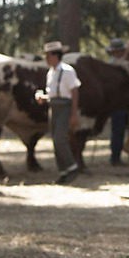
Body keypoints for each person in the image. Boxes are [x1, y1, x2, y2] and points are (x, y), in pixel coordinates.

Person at [35, 40, 81, 184]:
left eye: (48, 55)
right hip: (53, 107)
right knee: (55, 140)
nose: (47, 59)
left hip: (64, 107)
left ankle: (72, 167)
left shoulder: (67, 71)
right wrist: (44, 97)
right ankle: (63, 171)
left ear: (56, 56)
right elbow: (54, 92)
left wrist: (74, 113)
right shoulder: (51, 73)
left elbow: (74, 92)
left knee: (60, 139)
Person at [105, 37, 129, 165]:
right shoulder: (112, 64)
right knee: (118, 130)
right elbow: (124, 67)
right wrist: (127, 55)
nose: (118, 53)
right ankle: (115, 156)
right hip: (118, 102)